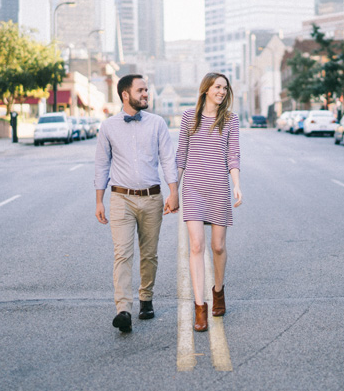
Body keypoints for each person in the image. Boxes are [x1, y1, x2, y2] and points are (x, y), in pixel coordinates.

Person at [94, 74, 179, 333]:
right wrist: (99, 200)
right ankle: (123, 309)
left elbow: (167, 159)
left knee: (149, 254)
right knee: (122, 254)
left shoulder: (157, 124)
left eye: (146, 90)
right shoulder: (108, 127)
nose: (146, 94)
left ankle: (146, 298)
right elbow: (101, 164)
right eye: (140, 90)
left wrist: (174, 192)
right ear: (125, 94)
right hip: (121, 198)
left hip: (152, 197)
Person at [176, 73, 242, 332]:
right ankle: (199, 307)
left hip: (218, 188)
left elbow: (233, 155)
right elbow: (181, 154)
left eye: (225, 88)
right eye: (217, 87)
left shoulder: (230, 119)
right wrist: (174, 189)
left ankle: (218, 291)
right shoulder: (188, 117)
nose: (222, 91)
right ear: (205, 89)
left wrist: (236, 184)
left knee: (217, 246)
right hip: (192, 187)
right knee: (196, 245)